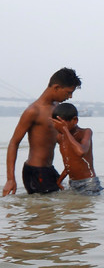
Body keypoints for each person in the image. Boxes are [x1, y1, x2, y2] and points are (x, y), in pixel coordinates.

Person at [3, 68, 82, 196]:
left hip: (49, 169)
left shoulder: (57, 108)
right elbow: (14, 143)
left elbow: (54, 137)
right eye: (68, 92)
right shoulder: (33, 111)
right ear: (56, 87)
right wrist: (10, 179)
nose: (70, 97)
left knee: (58, 209)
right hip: (36, 171)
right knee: (44, 213)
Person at [50, 102, 103, 194]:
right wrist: (59, 181)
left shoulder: (85, 132)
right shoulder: (60, 137)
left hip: (89, 183)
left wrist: (65, 131)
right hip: (73, 183)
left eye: (61, 124)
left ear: (75, 120)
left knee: (86, 207)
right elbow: (69, 163)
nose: (58, 127)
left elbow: (81, 152)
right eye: (55, 123)